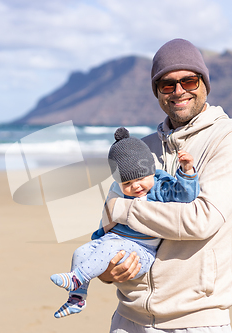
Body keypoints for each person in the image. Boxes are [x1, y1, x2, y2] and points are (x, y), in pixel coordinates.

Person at [98, 39, 232, 332]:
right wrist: (107, 271)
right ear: (157, 91)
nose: (179, 91)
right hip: (127, 319)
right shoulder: (140, 148)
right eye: (167, 84)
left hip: (195, 320)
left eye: (189, 80)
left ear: (205, 84)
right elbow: (108, 225)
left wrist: (123, 209)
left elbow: (201, 220)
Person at [50, 127, 200, 318]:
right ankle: (77, 298)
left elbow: (185, 196)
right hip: (113, 243)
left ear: (151, 172)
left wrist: (187, 170)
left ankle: (78, 278)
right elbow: (107, 220)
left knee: (112, 246)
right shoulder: (118, 193)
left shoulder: (161, 188)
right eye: (127, 183)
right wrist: (96, 241)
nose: (135, 186)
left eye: (140, 179)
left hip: (142, 252)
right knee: (80, 252)